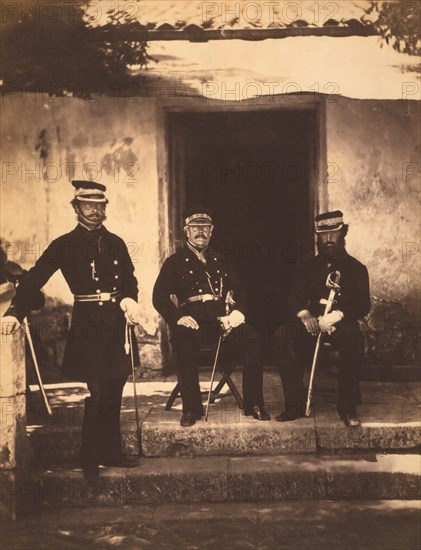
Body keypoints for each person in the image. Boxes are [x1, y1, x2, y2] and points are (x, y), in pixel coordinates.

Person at [2, 180, 142, 478]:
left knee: (115, 387)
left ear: (105, 208)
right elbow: (33, 280)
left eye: (100, 205)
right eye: (88, 205)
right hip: (88, 325)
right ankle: (90, 456)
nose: (95, 211)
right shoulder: (63, 245)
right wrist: (15, 312)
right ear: (76, 208)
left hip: (116, 324)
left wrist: (130, 299)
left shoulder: (115, 242)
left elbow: (130, 280)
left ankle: (111, 452)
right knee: (98, 391)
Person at [153, 208, 270, 427]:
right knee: (183, 340)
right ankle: (191, 408)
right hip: (193, 321)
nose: (200, 232)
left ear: (212, 231)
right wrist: (177, 317)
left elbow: (240, 291)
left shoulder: (221, 260)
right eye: (195, 228)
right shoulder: (174, 262)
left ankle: (254, 403)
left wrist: (237, 314)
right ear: (186, 231)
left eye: (205, 228)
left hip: (221, 322)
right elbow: (158, 297)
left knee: (252, 337)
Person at [274, 210, 370, 427]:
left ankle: (347, 408)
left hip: (340, 324)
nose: (327, 239)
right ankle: (294, 403)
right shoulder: (307, 267)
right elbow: (294, 298)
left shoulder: (356, 269)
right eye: (322, 235)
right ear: (316, 237)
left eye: (333, 233)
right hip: (313, 323)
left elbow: (363, 304)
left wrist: (339, 315)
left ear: (343, 233)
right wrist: (305, 315)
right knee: (282, 336)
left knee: (352, 339)